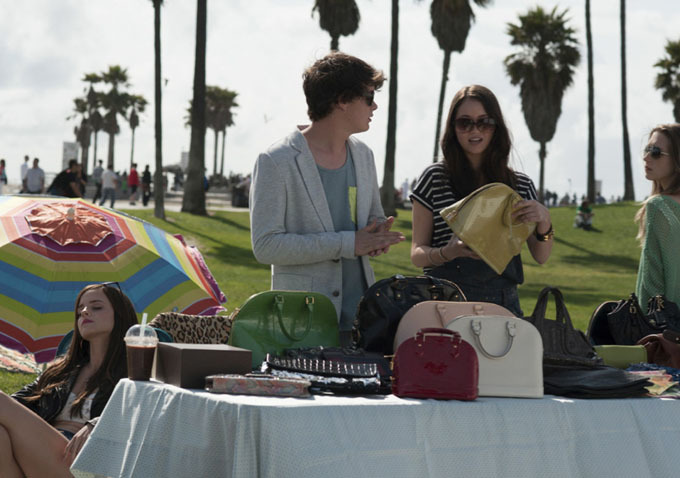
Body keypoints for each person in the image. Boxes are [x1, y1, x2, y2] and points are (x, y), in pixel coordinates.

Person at [250, 52, 405, 337]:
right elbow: (266, 246)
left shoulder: (364, 155)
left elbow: (368, 219)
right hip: (300, 323)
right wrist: (350, 243)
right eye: (369, 97)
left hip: (361, 320)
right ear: (342, 100)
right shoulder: (276, 160)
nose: (375, 105)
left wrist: (375, 236)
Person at [410, 85, 553, 316]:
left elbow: (541, 255)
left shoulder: (519, 185)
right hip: (444, 304)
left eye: (484, 122)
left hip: (502, 306)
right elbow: (417, 254)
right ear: (453, 128)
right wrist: (449, 252)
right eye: (464, 123)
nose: (474, 130)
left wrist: (544, 220)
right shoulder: (434, 178)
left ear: (496, 127)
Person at [0, 283, 138, 476]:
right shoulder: (62, 371)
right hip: (42, 454)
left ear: (120, 315)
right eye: (80, 310)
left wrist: (97, 423)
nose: (85, 312)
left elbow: (144, 417)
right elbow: (16, 404)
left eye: (96, 307)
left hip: (85, 465)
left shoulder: (134, 373)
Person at [635, 124, 680, 308]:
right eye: (647, 149)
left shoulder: (660, 207)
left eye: (655, 152)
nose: (646, 157)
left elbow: (651, 283)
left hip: (666, 322)